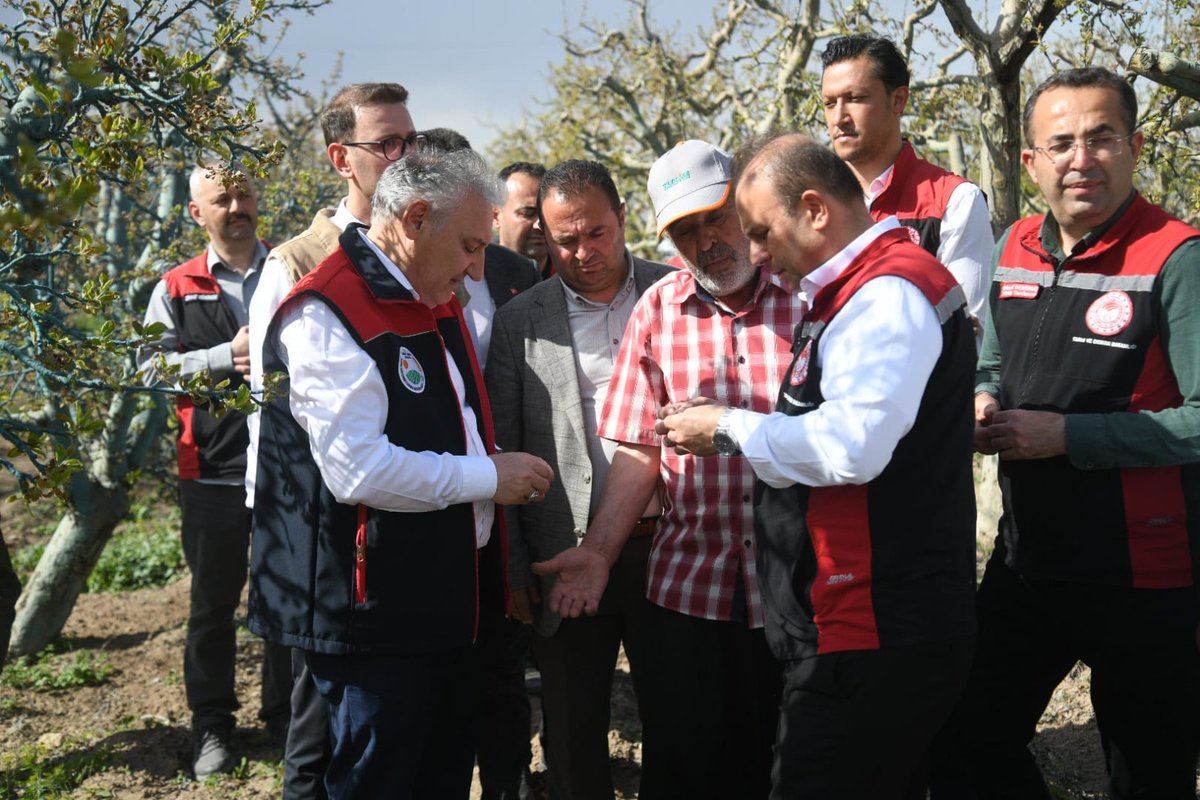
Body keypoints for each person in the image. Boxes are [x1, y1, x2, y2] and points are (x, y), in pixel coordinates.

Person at [650, 133, 977, 798]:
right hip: (851, 615)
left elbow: (853, 446)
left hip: (877, 620)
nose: (760, 254)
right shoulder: (848, 293)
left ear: (816, 209)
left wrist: (729, 428)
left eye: (764, 232)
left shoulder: (887, 296)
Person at [248, 149, 554, 799]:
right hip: (374, 617)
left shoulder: (427, 294)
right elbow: (355, 470)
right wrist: (485, 479)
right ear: (415, 218)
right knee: (378, 779)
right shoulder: (330, 309)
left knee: (437, 774)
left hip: (439, 599)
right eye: (471, 246)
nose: (478, 268)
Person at [955, 66, 1200, 799]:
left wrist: (1069, 438)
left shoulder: (1178, 257)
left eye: (1101, 138)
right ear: (1031, 161)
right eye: (1060, 143)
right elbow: (992, 361)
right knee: (963, 735)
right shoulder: (1016, 244)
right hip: (1029, 560)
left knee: (1147, 774)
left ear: (1135, 146)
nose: (1080, 159)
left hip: (1146, 573)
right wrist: (982, 396)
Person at [531, 140, 793, 798]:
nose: (707, 242)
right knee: (687, 767)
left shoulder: (808, 296)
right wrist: (597, 552)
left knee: (788, 766)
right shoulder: (659, 310)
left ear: (746, 206)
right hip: (690, 589)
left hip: (796, 588)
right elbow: (638, 450)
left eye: (716, 218)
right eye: (684, 230)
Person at [244, 81, 420, 800]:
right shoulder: (296, 265)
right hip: (329, 539)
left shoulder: (423, 244)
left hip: (406, 525)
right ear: (340, 158)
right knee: (320, 729)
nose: (406, 155)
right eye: (388, 144)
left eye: (413, 139)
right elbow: (274, 419)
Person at [484, 159, 672, 800]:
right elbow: (502, 449)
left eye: (596, 234)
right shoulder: (519, 322)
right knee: (571, 730)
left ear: (622, 221)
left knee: (678, 721)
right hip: (561, 553)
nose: (583, 253)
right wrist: (513, 570)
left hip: (667, 547)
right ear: (544, 234)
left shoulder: (675, 294)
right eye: (566, 240)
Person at [138, 165, 291, 780]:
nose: (237, 206)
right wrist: (224, 358)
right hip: (212, 471)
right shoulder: (175, 287)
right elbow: (150, 368)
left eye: (244, 194)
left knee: (287, 600)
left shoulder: (291, 270)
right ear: (197, 213)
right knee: (212, 608)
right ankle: (213, 727)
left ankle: (285, 720)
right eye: (221, 198)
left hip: (285, 467)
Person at [417, 126, 542, 800]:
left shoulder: (514, 272)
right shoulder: (402, 279)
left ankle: (508, 782)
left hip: (507, 501)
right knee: (438, 673)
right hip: (430, 502)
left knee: (503, 664)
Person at [820, 34, 991, 338]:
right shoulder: (813, 203)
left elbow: (967, 333)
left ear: (898, 100)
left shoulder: (956, 201)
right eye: (830, 103)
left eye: (855, 98)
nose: (839, 117)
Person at [496, 162, 550, 278]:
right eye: (528, 214)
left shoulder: (575, 277)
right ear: (496, 216)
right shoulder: (475, 277)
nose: (539, 224)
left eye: (547, 214)